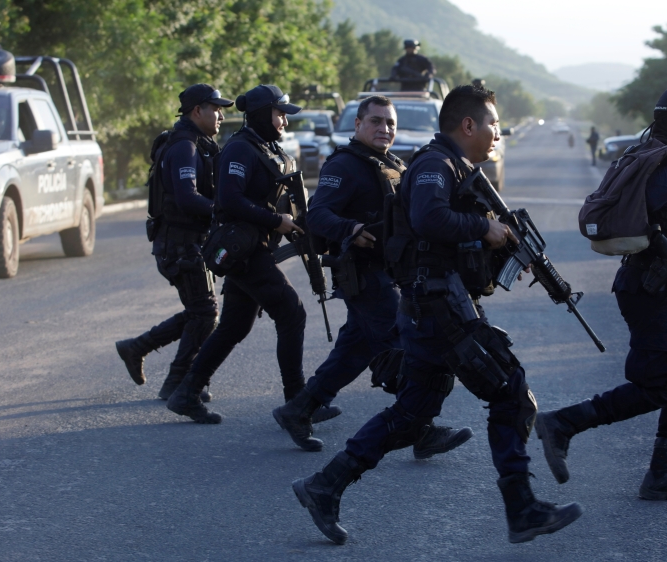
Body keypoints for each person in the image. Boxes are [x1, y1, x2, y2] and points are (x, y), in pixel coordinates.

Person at [293, 85, 583, 545]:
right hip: (437, 305)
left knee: (412, 414)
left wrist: (501, 241)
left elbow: (444, 232)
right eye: (492, 125)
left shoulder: (452, 166)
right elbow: (430, 220)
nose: (497, 134)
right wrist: (484, 227)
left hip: (430, 304)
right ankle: (522, 508)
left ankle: (324, 485)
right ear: (467, 125)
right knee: (509, 391)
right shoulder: (435, 164)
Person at [535, 86, 667, 502]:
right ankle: (562, 424)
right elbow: (653, 204)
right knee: (656, 385)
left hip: (662, 287)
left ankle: (663, 474)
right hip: (649, 287)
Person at [272, 95, 473, 460]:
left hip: (387, 271)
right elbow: (316, 214)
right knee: (403, 348)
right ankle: (422, 430)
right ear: (358, 125)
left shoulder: (391, 163)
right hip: (363, 275)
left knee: (355, 350)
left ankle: (297, 410)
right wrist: (350, 227)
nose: (385, 129)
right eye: (377, 122)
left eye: (390, 124)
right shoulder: (345, 165)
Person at [166, 84, 307, 424]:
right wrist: (276, 220)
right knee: (292, 314)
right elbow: (229, 200)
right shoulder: (241, 150)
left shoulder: (265, 147)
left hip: (256, 247)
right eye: (279, 115)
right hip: (243, 249)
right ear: (261, 115)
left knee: (234, 325)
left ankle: (187, 392)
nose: (284, 123)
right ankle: (298, 402)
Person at [115, 84, 232, 403]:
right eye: (215, 108)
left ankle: (136, 348)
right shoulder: (185, 146)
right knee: (205, 314)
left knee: (200, 312)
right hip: (179, 244)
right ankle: (177, 381)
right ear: (197, 111)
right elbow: (186, 197)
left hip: (190, 242)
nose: (221, 114)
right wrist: (225, 210)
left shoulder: (200, 143)